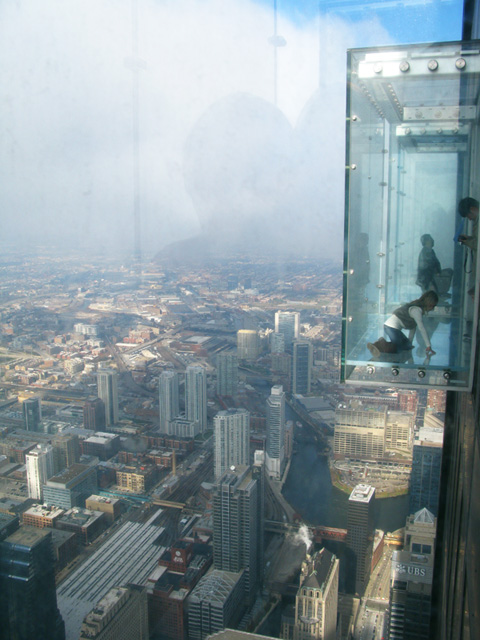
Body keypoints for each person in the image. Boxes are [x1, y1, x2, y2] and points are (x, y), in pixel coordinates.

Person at [367, 291, 439, 358]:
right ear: (429, 303)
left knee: (405, 346)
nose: (432, 308)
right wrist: (428, 345)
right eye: (433, 305)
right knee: (400, 349)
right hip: (391, 328)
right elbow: (421, 328)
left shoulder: (416, 309)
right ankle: (379, 346)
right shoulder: (416, 310)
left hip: (390, 327)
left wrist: (409, 344)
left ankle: (381, 345)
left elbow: (413, 328)